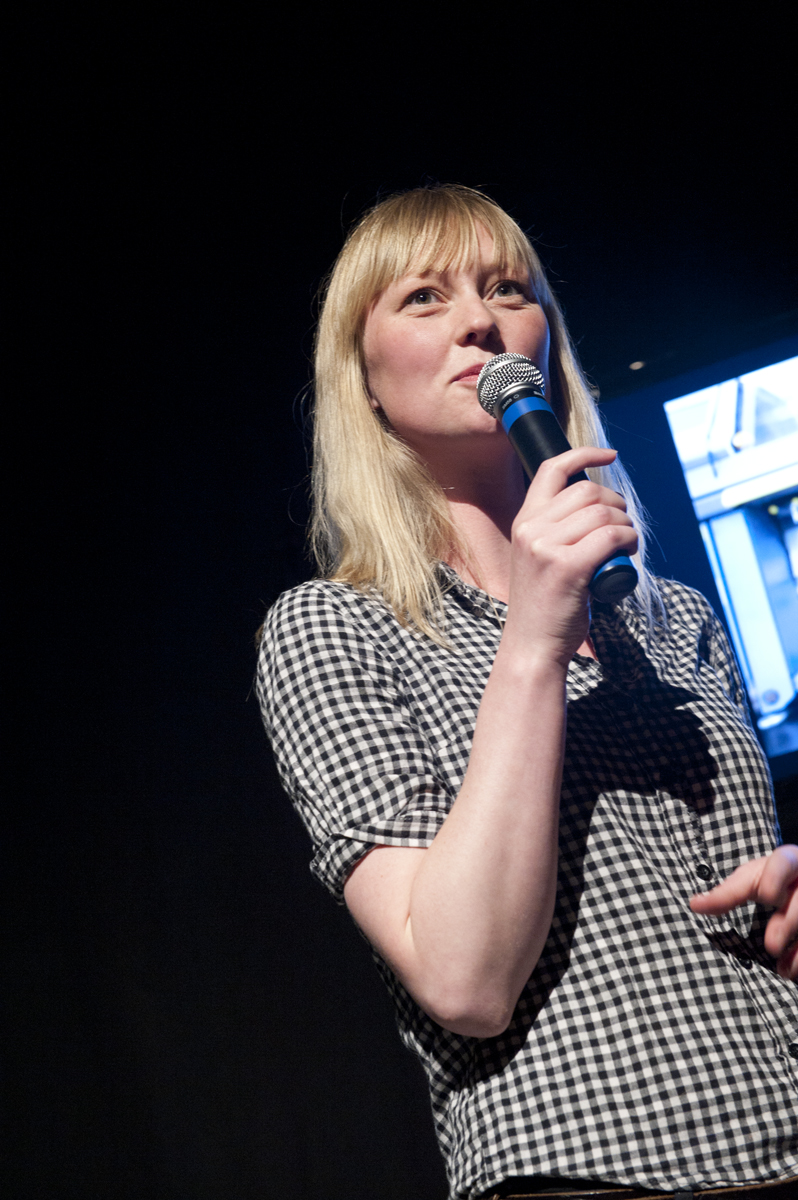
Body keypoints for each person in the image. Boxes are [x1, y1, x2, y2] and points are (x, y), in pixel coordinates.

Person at [257, 185, 798, 1199]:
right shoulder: (334, 631)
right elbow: (464, 980)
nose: (480, 320)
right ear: (364, 379)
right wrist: (536, 636)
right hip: (594, 1168)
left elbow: (732, 893)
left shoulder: (674, 616)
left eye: (508, 290)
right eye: (424, 297)